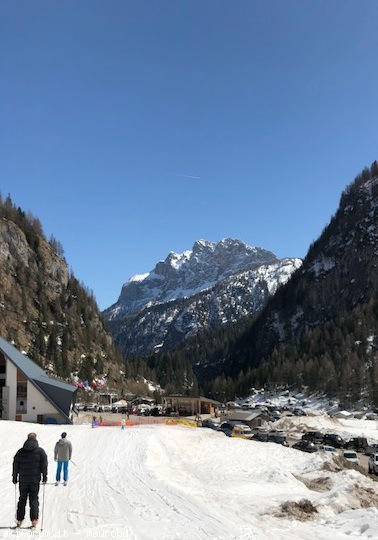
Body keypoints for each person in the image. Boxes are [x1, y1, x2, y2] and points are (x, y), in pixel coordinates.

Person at [12, 432, 48, 528]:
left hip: (23, 480)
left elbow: (15, 465)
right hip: (34, 480)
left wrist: (15, 477)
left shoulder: (20, 452)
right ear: (35, 439)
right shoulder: (40, 452)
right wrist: (44, 476)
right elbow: (44, 465)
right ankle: (34, 520)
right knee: (34, 499)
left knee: (22, 499)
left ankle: (19, 519)